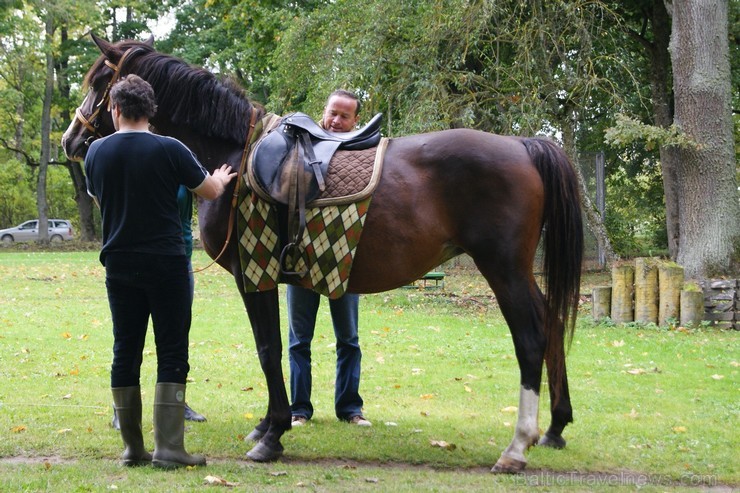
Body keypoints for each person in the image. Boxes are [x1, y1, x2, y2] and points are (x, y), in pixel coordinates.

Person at [85, 74, 236, 468]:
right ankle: (169, 449)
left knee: (125, 349)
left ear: (115, 110)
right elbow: (209, 192)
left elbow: (103, 200)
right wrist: (219, 178)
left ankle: (133, 448)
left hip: (118, 264)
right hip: (167, 263)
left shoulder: (95, 153)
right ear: (151, 111)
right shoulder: (171, 149)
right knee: (171, 351)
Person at [288, 90, 371, 428]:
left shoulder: (365, 153)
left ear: (356, 121)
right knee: (298, 340)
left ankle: (350, 408)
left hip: (344, 257)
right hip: (302, 255)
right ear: (323, 112)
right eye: (332, 113)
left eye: (344, 116)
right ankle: (298, 409)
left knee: (348, 339)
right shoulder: (299, 146)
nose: (336, 121)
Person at [110, 184, 206, 430]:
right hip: (145, 259)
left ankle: (175, 406)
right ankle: (122, 411)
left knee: (176, 340)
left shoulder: (182, 159)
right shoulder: (146, 160)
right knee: (130, 340)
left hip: (180, 261)